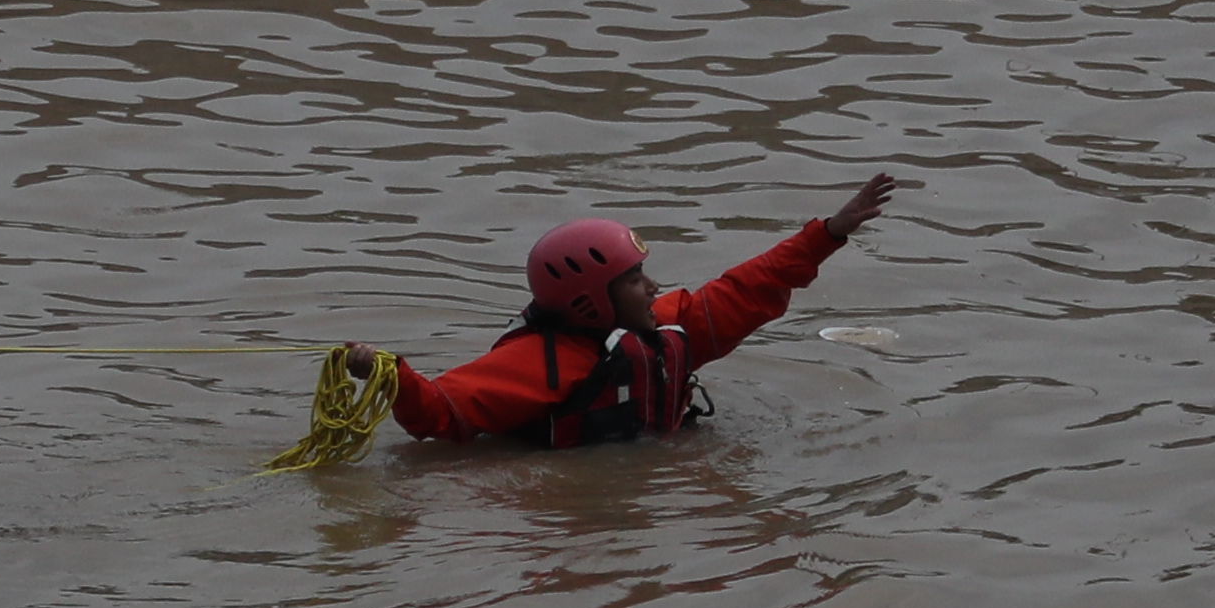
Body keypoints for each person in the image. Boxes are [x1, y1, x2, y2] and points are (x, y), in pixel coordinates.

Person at [328, 176, 906, 450]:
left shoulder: (671, 324)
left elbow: (753, 286)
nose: (651, 286)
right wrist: (388, 371)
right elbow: (441, 415)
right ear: (589, 302)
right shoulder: (536, 365)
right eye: (633, 279)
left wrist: (829, 233)